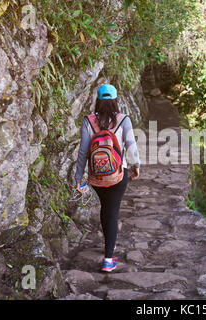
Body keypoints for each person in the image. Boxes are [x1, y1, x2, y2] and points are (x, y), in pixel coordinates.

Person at [74, 83, 140, 272]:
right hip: (118, 174)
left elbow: (83, 152)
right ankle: (108, 259)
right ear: (115, 100)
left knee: (106, 210)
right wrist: (136, 167)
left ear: (98, 100)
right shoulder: (123, 120)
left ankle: (109, 246)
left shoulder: (88, 121)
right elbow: (131, 146)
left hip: (96, 176)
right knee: (112, 212)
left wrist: (79, 177)